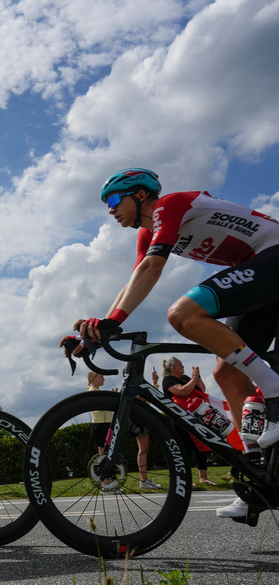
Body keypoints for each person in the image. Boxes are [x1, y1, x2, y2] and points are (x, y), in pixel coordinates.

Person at [64, 169, 279, 519]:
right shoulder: (147, 232)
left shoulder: (168, 206)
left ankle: (274, 389)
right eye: (106, 204)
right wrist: (101, 327)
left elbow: (152, 269)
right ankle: (257, 481)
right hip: (258, 270)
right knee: (227, 373)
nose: (110, 209)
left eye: (115, 200)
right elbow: (136, 279)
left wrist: (112, 322)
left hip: (272, 254)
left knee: (183, 314)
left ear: (140, 196)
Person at [161, 358, 217, 487]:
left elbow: (201, 389)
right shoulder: (168, 380)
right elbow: (182, 391)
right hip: (179, 420)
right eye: (180, 365)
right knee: (184, 449)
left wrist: (197, 377)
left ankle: (203, 478)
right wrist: (193, 379)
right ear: (172, 368)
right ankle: (185, 478)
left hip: (195, 416)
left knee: (200, 447)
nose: (183, 366)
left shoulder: (186, 377)